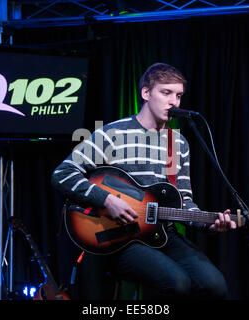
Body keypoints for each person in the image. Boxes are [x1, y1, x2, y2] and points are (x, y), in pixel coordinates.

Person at [51, 62, 236, 299]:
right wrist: (107, 200)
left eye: (179, 95)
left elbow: (184, 201)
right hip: (119, 239)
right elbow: (63, 173)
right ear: (146, 93)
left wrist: (209, 224)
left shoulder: (177, 143)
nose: (174, 102)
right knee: (177, 282)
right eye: (166, 93)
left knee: (215, 285)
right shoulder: (112, 134)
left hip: (163, 233)